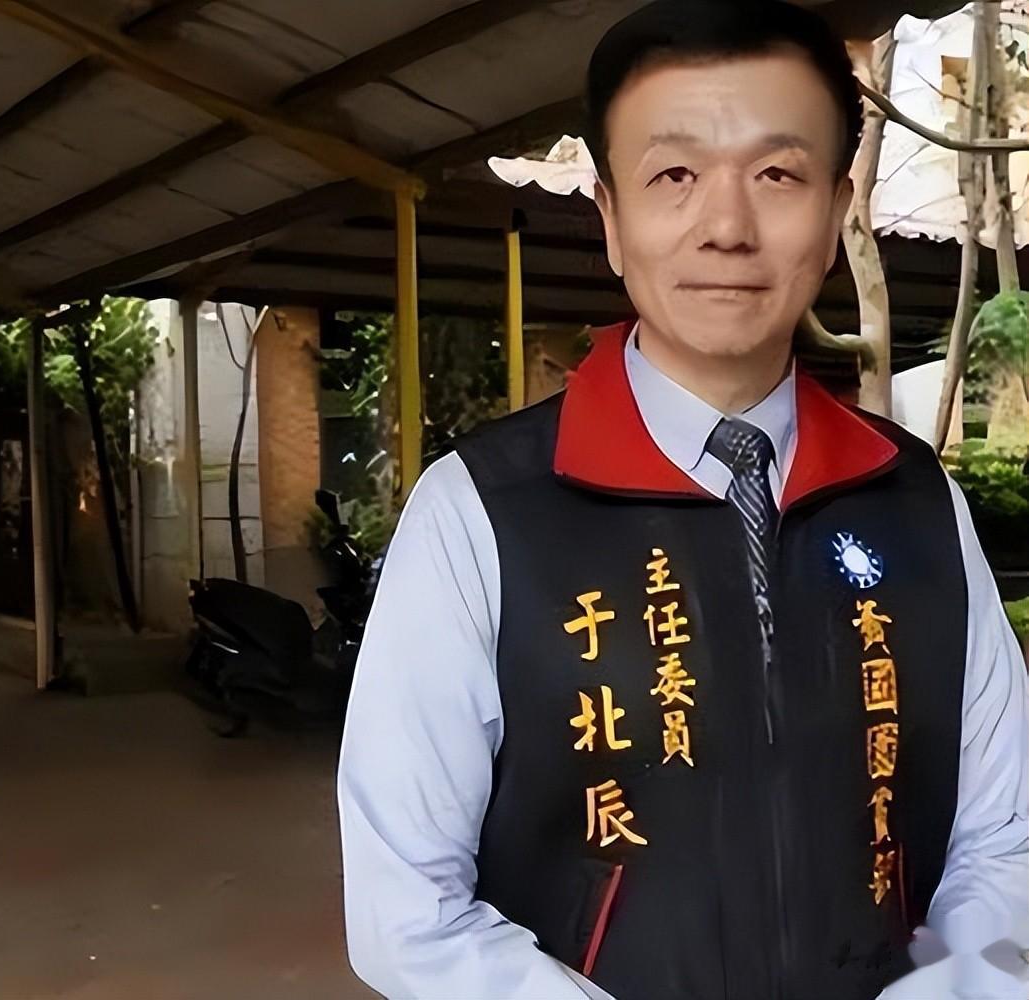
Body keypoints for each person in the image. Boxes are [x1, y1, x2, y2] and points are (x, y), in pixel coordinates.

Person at [335, 1, 1029, 998]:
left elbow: (1003, 840)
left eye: (777, 175)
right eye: (674, 176)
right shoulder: (478, 513)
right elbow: (407, 910)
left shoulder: (916, 501)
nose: (727, 229)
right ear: (612, 221)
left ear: (837, 210)